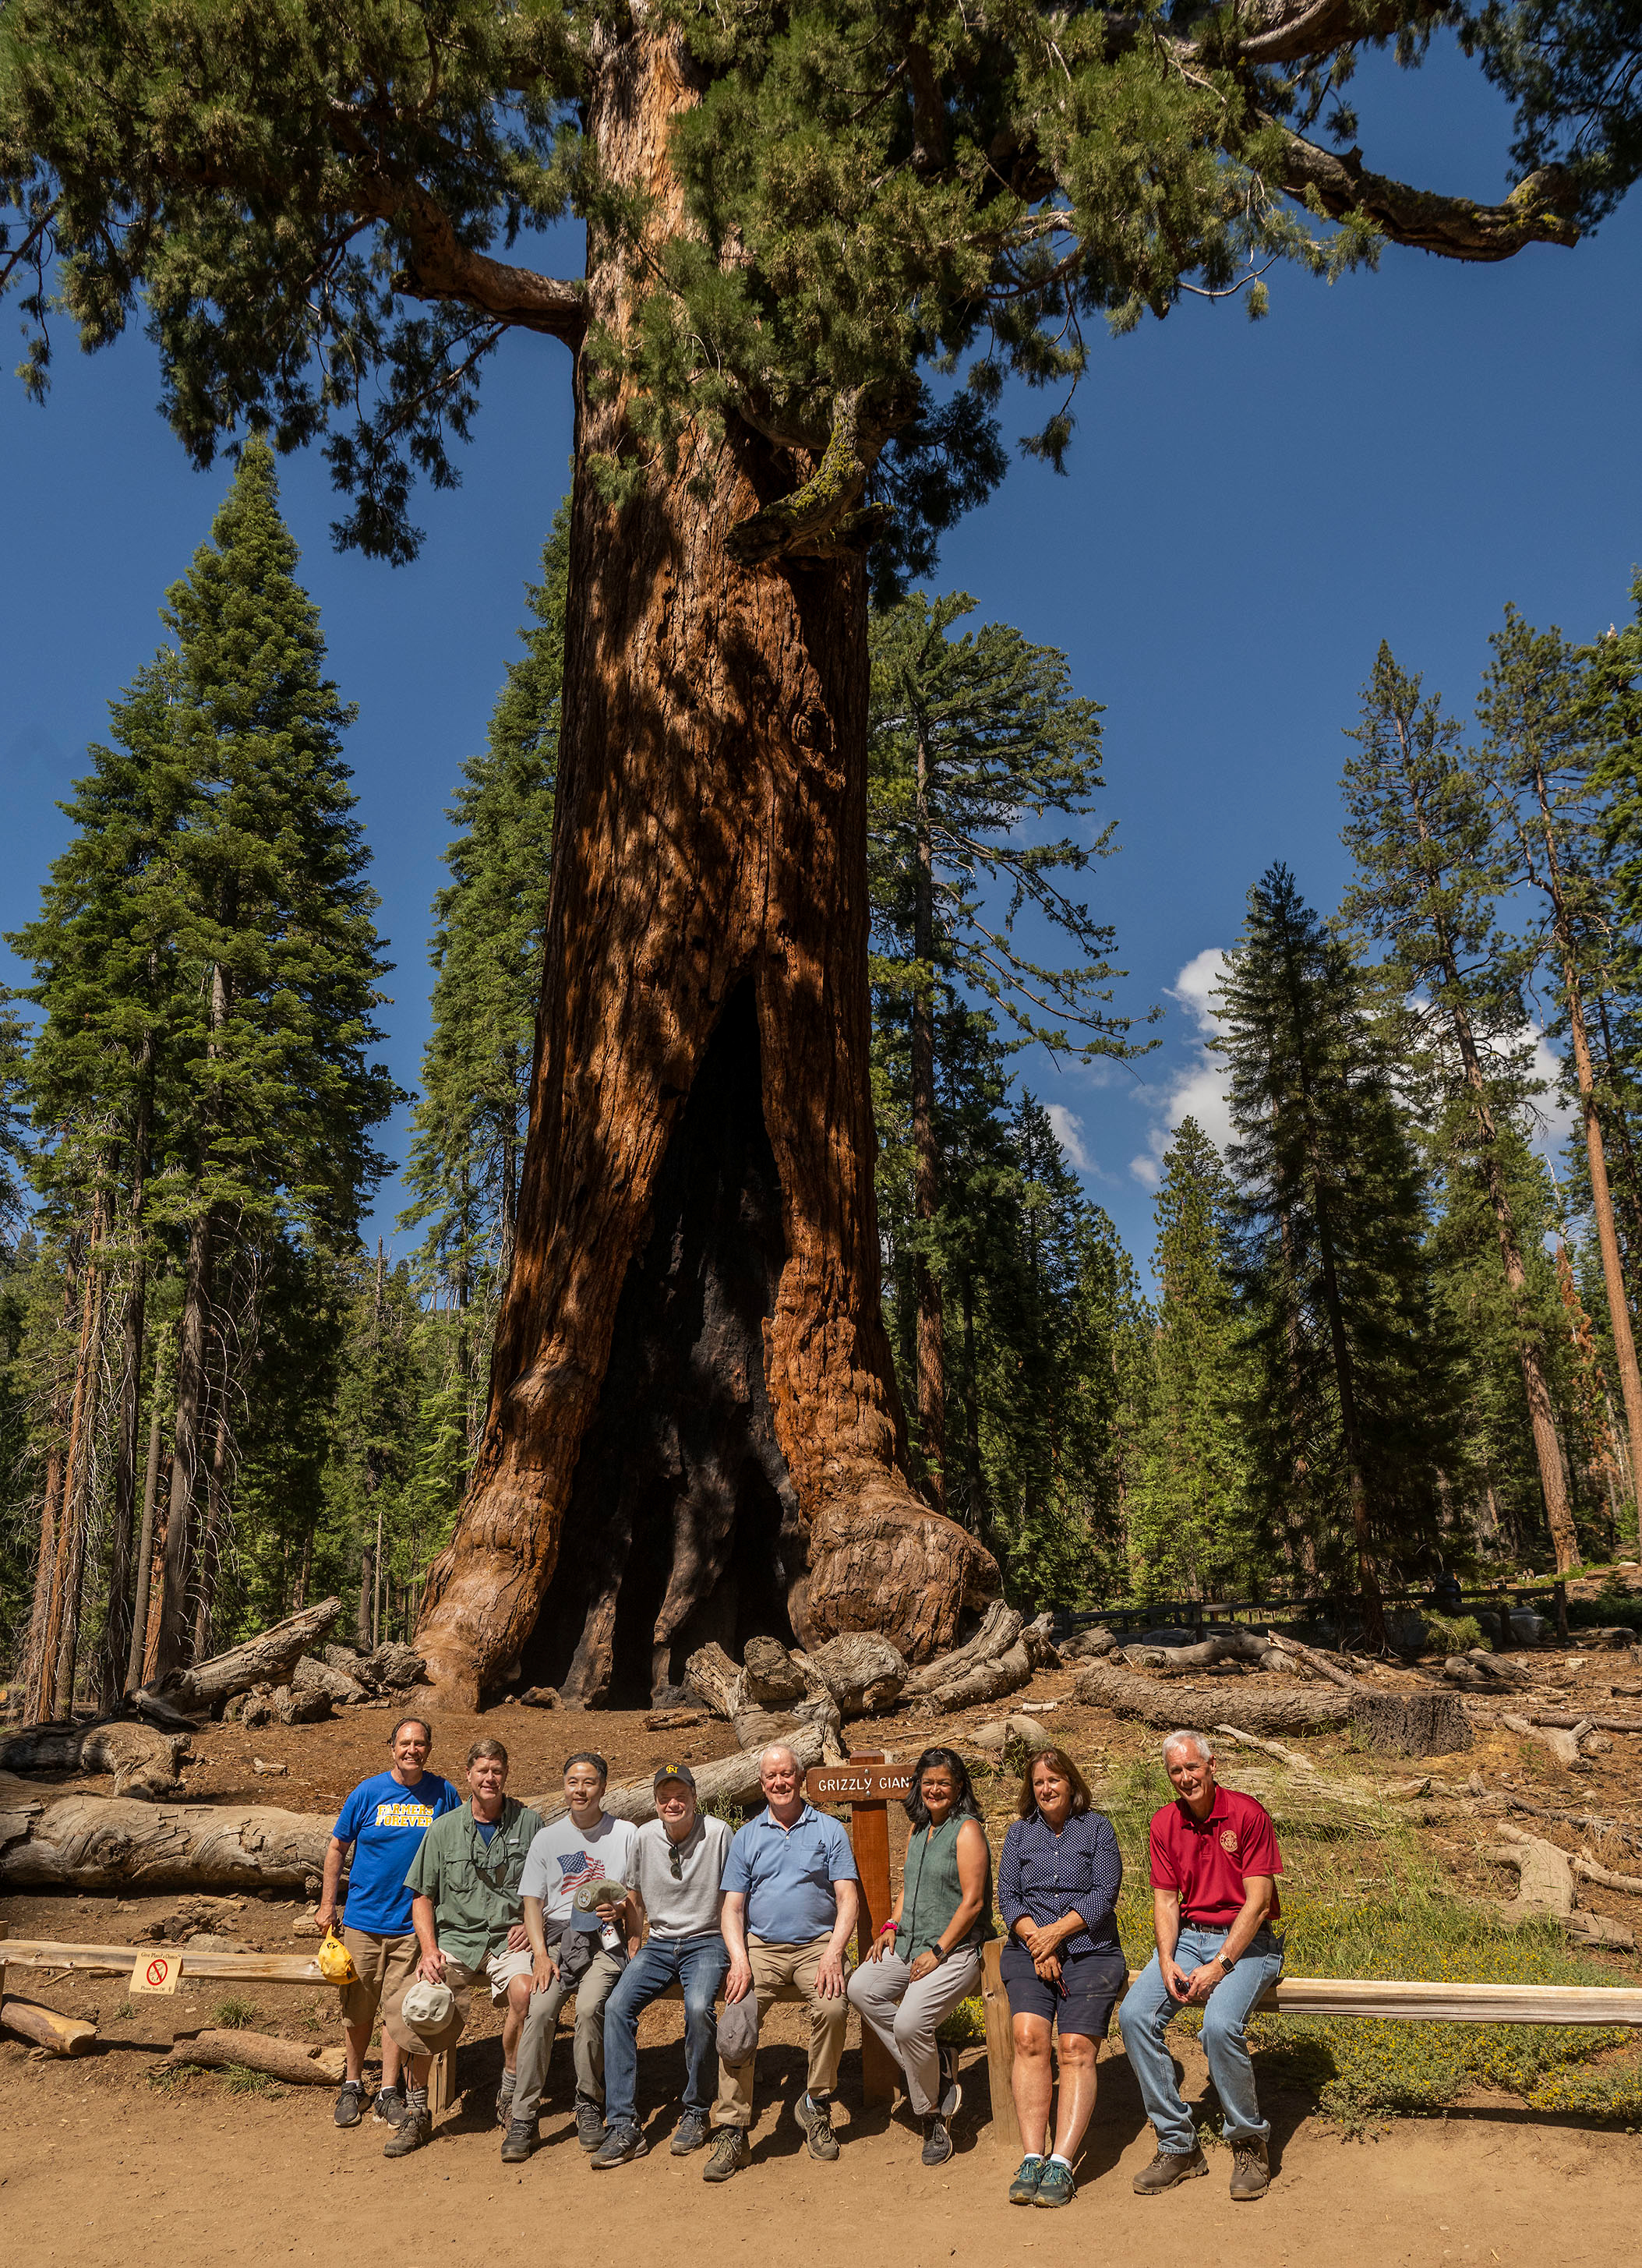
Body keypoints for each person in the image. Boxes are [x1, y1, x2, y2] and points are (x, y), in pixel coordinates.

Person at [1118, 1729, 1285, 2203]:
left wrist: (1220, 1965)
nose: (1186, 1777)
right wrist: (1168, 1959)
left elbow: (1258, 1902)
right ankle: (1179, 2145)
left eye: (1193, 1767)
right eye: (1176, 1770)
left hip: (1248, 1942)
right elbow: (1167, 1901)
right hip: (1189, 1938)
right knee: (1134, 2016)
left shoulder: (1247, 1814)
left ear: (1212, 1767)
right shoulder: (1164, 1823)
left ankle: (1250, 2140)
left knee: (1218, 2025)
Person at [704, 1740, 860, 2184]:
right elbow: (732, 1907)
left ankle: (815, 2104)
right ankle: (733, 2129)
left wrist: (835, 1952)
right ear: (761, 1783)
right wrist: (739, 1959)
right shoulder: (748, 1836)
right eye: (771, 1777)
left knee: (832, 2007)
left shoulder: (829, 1830)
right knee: (736, 2018)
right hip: (761, 1949)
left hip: (817, 1946)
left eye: (786, 1774)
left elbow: (848, 1898)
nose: (779, 1782)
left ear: (800, 1776)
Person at [390, 1737, 546, 2159]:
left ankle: (510, 2094)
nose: (490, 1778)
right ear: (469, 1776)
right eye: (482, 1771)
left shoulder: (530, 1824)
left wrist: (534, 1926)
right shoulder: (443, 1829)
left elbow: (550, 1887)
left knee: (526, 1994)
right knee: (424, 2001)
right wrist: (428, 1949)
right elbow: (421, 1895)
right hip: (455, 1939)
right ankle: (417, 2111)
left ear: (506, 1774)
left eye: (497, 1770)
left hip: (507, 1941)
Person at [317, 1716, 461, 2136]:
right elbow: (337, 1847)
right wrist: (328, 1904)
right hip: (363, 1920)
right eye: (404, 1743)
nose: (411, 1750)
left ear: (428, 1749)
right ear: (392, 1748)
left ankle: (388, 2091)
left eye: (419, 1743)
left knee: (401, 2011)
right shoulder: (368, 1792)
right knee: (357, 2008)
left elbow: (456, 1849)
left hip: (413, 1926)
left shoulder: (443, 1794)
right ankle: (352, 2084)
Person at [996, 1746, 1125, 2210]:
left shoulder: (1097, 1828)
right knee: (1029, 2037)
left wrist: (1054, 1936)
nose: (1046, 1789)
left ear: (1071, 1783)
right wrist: (1037, 1943)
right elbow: (1008, 1898)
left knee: (1074, 2048)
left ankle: (1062, 2162)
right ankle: (1033, 2155)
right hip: (1030, 1950)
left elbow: (1104, 1895)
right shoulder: (1018, 1834)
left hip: (1089, 1951)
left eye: (1054, 1780)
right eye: (1038, 1783)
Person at [847, 1745, 989, 2167]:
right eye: (928, 1782)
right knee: (861, 1987)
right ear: (918, 1786)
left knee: (910, 2023)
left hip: (956, 1949)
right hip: (907, 1943)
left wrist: (939, 1950)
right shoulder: (917, 1829)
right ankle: (936, 2070)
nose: (935, 1790)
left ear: (959, 1786)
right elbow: (908, 1887)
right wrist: (890, 1926)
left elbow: (974, 1903)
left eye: (944, 1782)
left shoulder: (967, 1831)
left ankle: (931, 2117)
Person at [589, 1762, 734, 2167]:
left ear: (694, 1797)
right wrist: (634, 1946)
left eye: (680, 1795)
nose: (673, 1803)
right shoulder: (644, 1837)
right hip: (659, 1943)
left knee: (698, 2006)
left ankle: (697, 2109)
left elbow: (737, 1897)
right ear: (655, 1803)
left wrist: (737, 1952)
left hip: (707, 1940)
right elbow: (633, 1897)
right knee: (617, 2007)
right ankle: (623, 2124)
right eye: (665, 1797)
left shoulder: (720, 1833)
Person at [507, 1750, 639, 2161]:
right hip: (560, 1940)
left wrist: (622, 1916)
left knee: (587, 2009)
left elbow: (633, 1896)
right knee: (540, 2009)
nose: (580, 1790)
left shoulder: (626, 1833)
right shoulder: (548, 1838)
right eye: (572, 1782)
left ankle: (587, 2103)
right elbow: (532, 1902)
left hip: (606, 1938)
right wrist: (542, 1956)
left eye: (589, 1783)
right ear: (564, 1787)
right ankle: (523, 2116)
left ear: (603, 1787)